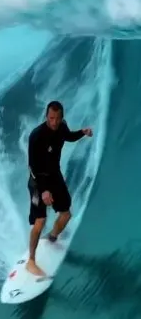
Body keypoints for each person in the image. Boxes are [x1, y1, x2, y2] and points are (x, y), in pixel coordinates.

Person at [26, 100, 93, 277]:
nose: (54, 122)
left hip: (54, 176)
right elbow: (32, 166)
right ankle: (31, 261)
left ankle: (52, 237)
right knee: (40, 221)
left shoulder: (62, 127)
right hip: (37, 182)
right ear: (46, 116)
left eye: (57, 118)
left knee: (66, 214)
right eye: (51, 118)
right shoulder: (37, 136)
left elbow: (69, 137)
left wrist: (82, 132)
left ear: (62, 117)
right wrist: (44, 191)